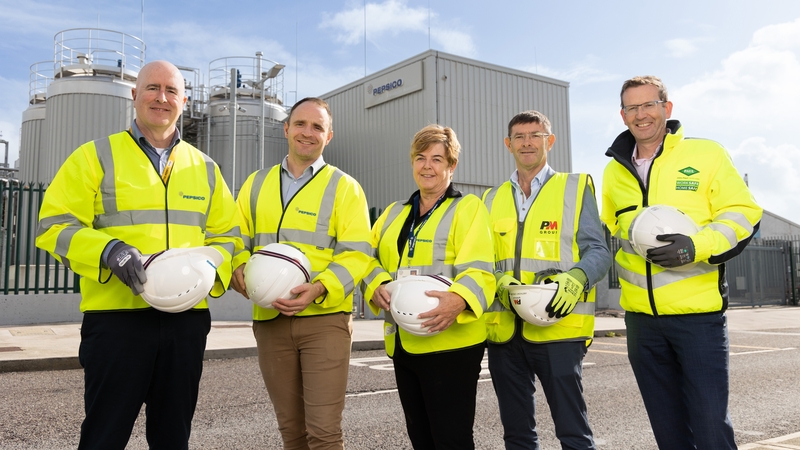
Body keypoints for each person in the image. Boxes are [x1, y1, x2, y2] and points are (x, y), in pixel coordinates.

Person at [35, 60, 241, 449]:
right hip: (116, 322)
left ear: (183, 101)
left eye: (171, 91)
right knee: (104, 437)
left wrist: (211, 267)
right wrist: (108, 250)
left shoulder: (207, 168)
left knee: (172, 437)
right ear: (134, 95)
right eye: (152, 88)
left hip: (186, 324)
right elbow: (52, 226)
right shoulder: (94, 157)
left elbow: (230, 237)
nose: (162, 98)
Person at [601, 75, 762, 450]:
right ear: (622, 116)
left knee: (709, 428)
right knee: (668, 432)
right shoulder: (613, 173)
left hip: (698, 320)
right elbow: (614, 234)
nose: (641, 115)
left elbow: (743, 215)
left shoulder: (705, 155)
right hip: (641, 323)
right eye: (632, 108)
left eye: (649, 105)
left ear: (666, 108)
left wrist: (696, 246)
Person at [230, 97, 372, 450]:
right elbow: (233, 239)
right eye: (301, 124)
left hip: (323, 321)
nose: (308, 133)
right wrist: (236, 266)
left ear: (329, 136)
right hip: (270, 319)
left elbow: (358, 255)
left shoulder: (345, 187)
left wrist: (320, 287)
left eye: (317, 127)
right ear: (286, 129)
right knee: (291, 432)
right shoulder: (255, 184)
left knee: (323, 433)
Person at [482, 110, 611, 450]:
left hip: (559, 329)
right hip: (505, 333)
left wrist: (578, 277)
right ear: (508, 144)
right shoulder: (490, 199)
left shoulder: (574, 186)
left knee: (573, 433)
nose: (528, 143)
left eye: (535, 135)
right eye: (520, 137)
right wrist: (499, 281)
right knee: (517, 436)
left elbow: (598, 251)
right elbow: (481, 259)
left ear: (549, 141)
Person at [362, 124, 495, 449]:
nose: (427, 166)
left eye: (437, 159)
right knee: (420, 437)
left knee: (451, 439)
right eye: (420, 158)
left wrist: (460, 300)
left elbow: (481, 268)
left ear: (451, 166)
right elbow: (363, 254)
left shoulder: (468, 208)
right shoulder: (394, 213)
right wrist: (376, 282)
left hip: (451, 344)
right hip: (404, 343)